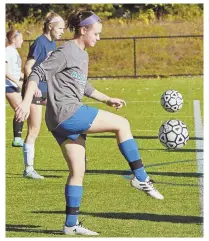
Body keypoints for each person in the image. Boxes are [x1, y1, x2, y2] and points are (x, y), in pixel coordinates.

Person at [15, 10, 164, 236]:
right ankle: (141, 178)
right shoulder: (66, 51)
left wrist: (107, 99)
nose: (99, 38)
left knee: (78, 171)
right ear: (83, 30)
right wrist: (26, 103)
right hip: (68, 113)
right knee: (122, 124)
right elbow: (37, 72)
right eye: (96, 33)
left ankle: (70, 224)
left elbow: (82, 85)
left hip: (58, 121)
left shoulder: (82, 55)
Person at [20, 12, 66, 179]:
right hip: (35, 90)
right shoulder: (40, 42)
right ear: (50, 26)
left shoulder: (52, 44)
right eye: (60, 28)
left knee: (63, 117)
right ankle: (28, 169)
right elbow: (28, 66)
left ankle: (75, 153)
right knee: (34, 130)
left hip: (47, 89)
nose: (62, 31)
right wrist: (34, 86)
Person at [6, 29, 25, 147]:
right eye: (21, 38)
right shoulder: (7, 51)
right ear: (13, 39)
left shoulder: (14, 52)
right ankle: (17, 139)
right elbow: (4, 70)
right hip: (8, 85)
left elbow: (15, 71)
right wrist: (17, 82)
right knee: (21, 110)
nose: (22, 41)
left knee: (21, 110)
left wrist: (27, 77)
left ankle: (17, 139)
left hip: (13, 84)